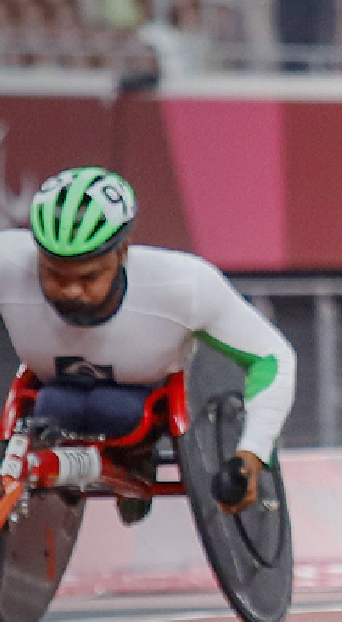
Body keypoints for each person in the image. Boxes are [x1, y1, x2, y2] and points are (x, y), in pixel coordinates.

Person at [0, 167, 296, 520]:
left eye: (89, 276)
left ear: (123, 252)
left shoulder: (185, 286)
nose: (71, 291)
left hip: (144, 401)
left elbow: (272, 357)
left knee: (115, 413)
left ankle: (137, 457)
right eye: (53, 274)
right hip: (52, 394)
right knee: (57, 404)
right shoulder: (7, 263)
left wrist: (251, 454)